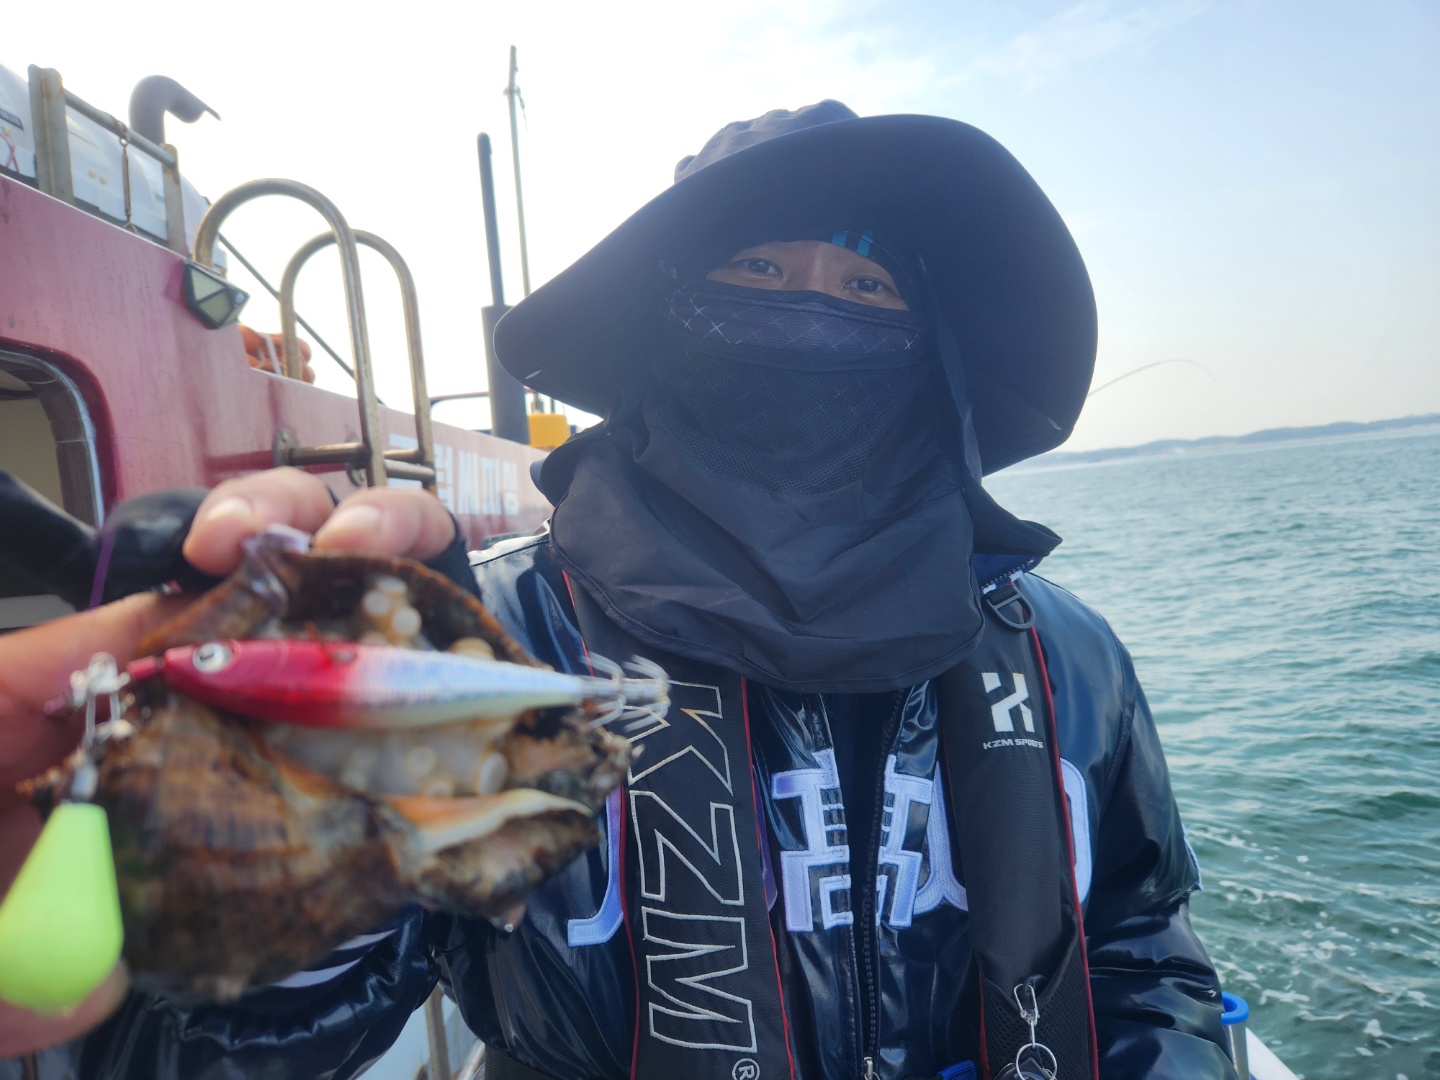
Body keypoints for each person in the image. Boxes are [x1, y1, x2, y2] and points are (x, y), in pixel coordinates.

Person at [5, 102, 1236, 1079]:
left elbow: (1139, 947)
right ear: (664, 331)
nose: (812, 315)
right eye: (757, 271)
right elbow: (205, 1053)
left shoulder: (1065, 658)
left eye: (869, 291)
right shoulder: (487, 653)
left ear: (936, 359)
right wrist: (276, 844)